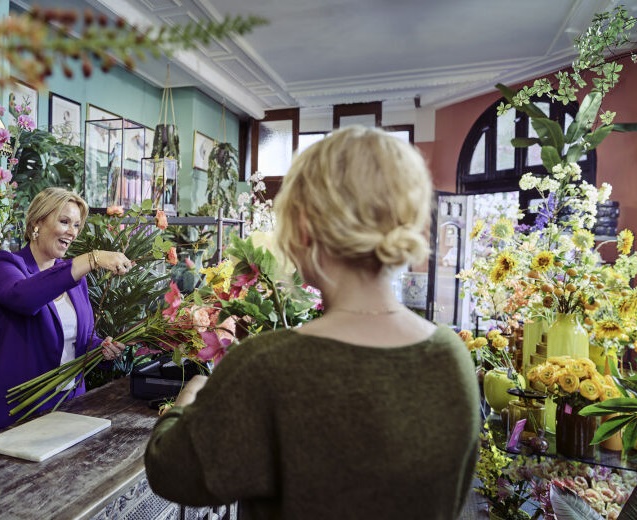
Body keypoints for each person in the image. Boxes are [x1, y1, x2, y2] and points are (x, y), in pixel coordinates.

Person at [144, 126, 481, 519]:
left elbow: (172, 471)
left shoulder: (267, 364)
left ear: (303, 226)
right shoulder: (451, 358)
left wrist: (186, 402)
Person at [0, 187, 132, 436]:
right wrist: (91, 259)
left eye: (76, 225)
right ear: (38, 222)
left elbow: (77, 342)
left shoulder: (74, 278)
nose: (72, 232)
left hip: (69, 409)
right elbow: (25, 298)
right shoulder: (4, 265)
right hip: (15, 414)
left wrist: (100, 349)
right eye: (64, 221)